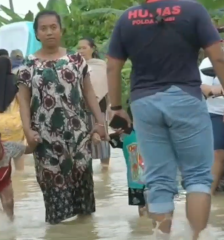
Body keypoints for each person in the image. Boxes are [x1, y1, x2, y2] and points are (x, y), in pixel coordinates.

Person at [106, 0, 224, 238]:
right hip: (186, 100)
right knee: (198, 176)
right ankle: (194, 237)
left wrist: (117, 107)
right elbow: (217, 58)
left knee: (158, 179)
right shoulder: (193, 10)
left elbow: (112, 67)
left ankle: (161, 236)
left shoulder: (128, 17)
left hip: (144, 103)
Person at [16, 10, 107, 224]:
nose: (49, 32)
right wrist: (28, 131)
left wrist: (100, 122)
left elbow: (89, 93)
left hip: (78, 136)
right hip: (45, 139)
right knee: (53, 192)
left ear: (61, 30)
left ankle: (85, 234)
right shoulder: (27, 66)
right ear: (37, 33)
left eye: (53, 27)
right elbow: (23, 103)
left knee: (83, 194)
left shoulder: (76, 60)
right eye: (43, 28)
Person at [0, 119, 38, 222]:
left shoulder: (9, 147)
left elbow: (28, 150)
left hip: (4, 180)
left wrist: (34, 142)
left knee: (9, 206)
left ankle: (11, 231)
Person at [0, 56, 26, 171]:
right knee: (19, 160)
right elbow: (22, 102)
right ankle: (20, 184)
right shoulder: (15, 81)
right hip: (15, 123)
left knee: (2, 160)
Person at [78, 37, 111, 169]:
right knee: (84, 143)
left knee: (102, 143)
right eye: (79, 48)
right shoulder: (75, 66)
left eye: (84, 48)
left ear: (92, 48)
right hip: (81, 108)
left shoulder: (101, 65)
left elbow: (106, 86)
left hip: (100, 108)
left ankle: (105, 172)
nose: (81, 51)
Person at [109, 104, 146, 217]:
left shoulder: (125, 134)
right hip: (150, 179)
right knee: (153, 209)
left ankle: (144, 230)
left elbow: (109, 139)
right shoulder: (155, 133)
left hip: (137, 182)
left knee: (143, 209)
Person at [199, 43, 224, 195]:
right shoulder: (209, 63)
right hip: (214, 112)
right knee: (217, 152)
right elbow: (199, 86)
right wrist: (215, 90)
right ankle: (208, 196)